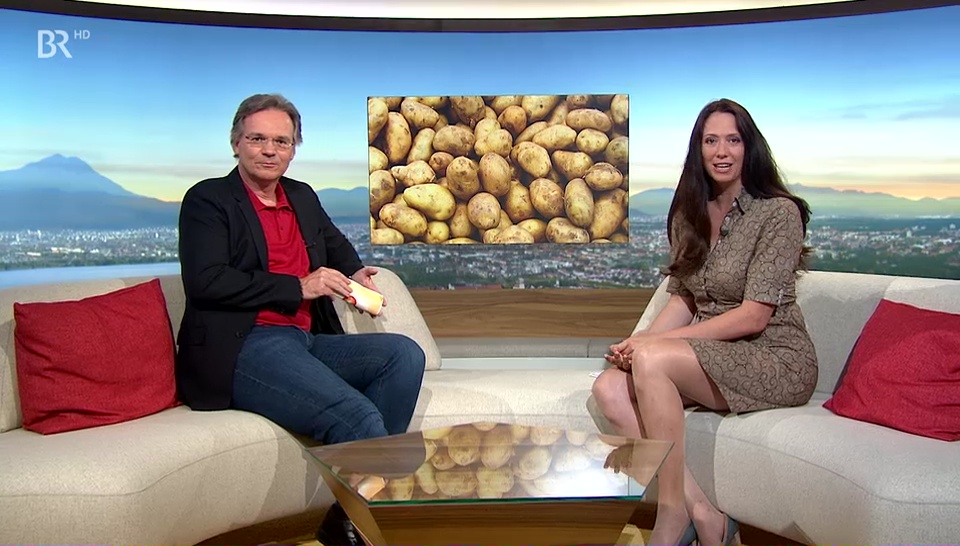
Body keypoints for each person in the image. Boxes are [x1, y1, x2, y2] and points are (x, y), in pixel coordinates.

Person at [176, 93, 426, 546]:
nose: (270, 150)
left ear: (294, 148)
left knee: (403, 355)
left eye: (282, 141)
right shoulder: (207, 200)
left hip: (304, 338)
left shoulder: (302, 196)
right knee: (358, 416)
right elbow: (206, 281)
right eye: (258, 139)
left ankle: (345, 520)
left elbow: (333, 243)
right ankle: (373, 530)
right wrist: (298, 287)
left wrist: (355, 272)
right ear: (236, 143)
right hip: (243, 345)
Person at [591, 98, 818, 546]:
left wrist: (657, 347)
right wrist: (637, 342)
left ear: (749, 147)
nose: (722, 151)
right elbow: (684, 297)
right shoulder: (688, 213)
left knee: (653, 359)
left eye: (733, 140)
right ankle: (701, 513)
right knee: (609, 388)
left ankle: (670, 516)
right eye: (711, 140)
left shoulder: (778, 213)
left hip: (774, 357)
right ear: (699, 148)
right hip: (711, 354)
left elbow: (754, 315)